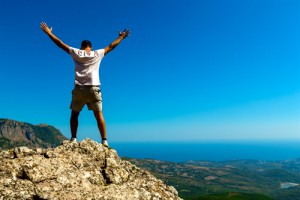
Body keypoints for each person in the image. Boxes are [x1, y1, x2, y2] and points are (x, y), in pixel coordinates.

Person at [40, 22, 130, 147]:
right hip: (94, 88)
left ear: (81, 46)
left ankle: (74, 138)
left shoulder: (76, 52)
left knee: (74, 115)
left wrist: (49, 32)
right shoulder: (97, 53)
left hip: (80, 89)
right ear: (90, 47)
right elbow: (111, 46)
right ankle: (104, 141)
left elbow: (59, 43)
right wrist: (121, 37)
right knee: (99, 115)